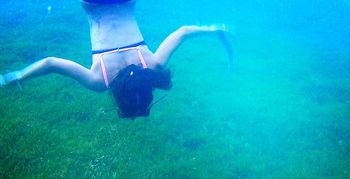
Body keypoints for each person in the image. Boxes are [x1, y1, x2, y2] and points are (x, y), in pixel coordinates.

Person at [0, 0, 232, 119]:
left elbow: (183, 31)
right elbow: (50, 63)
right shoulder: (99, 81)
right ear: (118, 98)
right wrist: (18, 76)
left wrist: (213, 28)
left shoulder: (153, 66)